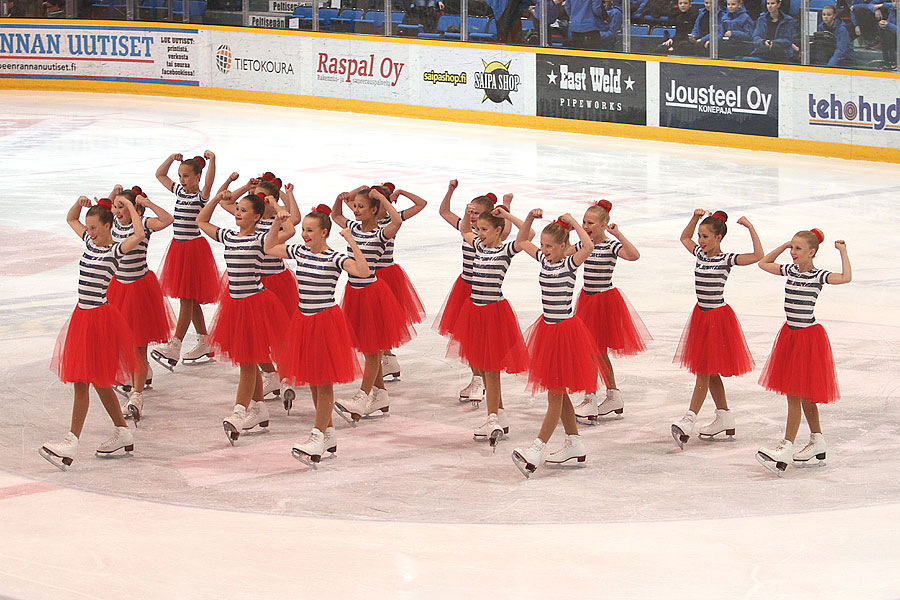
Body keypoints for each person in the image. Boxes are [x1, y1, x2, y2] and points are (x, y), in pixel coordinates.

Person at [40, 195, 145, 470]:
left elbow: (140, 233)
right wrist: (78, 202)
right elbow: (70, 219)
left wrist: (131, 206)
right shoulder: (88, 242)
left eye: (95, 228)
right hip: (82, 316)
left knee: (82, 380)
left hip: (98, 319)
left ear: (108, 226)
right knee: (98, 381)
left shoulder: (115, 250)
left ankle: (71, 441)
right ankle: (122, 432)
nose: (89, 232)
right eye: (88, 228)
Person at [264, 206, 371, 468]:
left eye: (310, 230)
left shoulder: (335, 258)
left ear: (324, 232)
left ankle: (317, 434)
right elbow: (269, 248)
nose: (304, 235)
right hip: (303, 320)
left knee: (323, 382)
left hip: (325, 322)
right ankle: (328, 433)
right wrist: (276, 224)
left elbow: (363, 271)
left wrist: (352, 242)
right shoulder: (299, 252)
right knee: (313, 379)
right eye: (303, 230)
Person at [196, 191, 290, 445]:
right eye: (237, 208)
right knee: (250, 358)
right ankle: (258, 408)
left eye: (244, 210)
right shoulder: (228, 236)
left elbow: (288, 231)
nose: (237, 212)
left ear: (257, 216)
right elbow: (201, 222)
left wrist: (278, 211)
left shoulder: (261, 240)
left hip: (254, 304)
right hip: (235, 305)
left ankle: (239, 411)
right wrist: (215, 200)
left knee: (248, 362)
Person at [511, 211, 600, 478]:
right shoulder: (544, 261)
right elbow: (521, 240)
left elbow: (589, 246)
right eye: (544, 245)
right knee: (558, 394)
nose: (544, 250)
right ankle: (574, 443)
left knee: (555, 395)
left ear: (563, 246)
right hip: (548, 331)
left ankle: (536, 450)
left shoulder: (569, 264)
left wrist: (573, 222)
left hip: (564, 334)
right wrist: (528, 218)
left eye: (550, 246)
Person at [756, 230, 851, 475]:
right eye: (792, 248)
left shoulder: (819, 276)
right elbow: (763, 263)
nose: (793, 253)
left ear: (812, 252)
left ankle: (786, 447)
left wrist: (843, 252)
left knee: (794, 393)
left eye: (798, 249)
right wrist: (784, 244)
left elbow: (846, 278)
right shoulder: (790, 270)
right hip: (790, 336)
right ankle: (817, 442)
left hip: (807, 339)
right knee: (804, 395)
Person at [670, 209, 763, 449]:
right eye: (700, 236)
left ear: (719, 238)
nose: (700, 241)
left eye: (706, 236)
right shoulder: (699, 254)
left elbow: (758, 255)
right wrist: (693, 218)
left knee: (704, 369)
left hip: (717, 319)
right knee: (709, 371)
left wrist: (750, 227)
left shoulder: (727, 259)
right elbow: (684, 238)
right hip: (701, 316)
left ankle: (689, 419)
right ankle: (724, 416)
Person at [454, 203, 534, 449]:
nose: (480, 234)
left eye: (486, 229)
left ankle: (492, 418)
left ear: (499, 230)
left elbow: (528, 236)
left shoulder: (506, 250)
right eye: (479, 229)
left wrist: (511, 214)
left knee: (491, 367)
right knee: (483, 363)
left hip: (494, 313)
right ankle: (498, 414)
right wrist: (469, 217)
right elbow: (465, 231)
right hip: (475, 311)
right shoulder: (478, 245)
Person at [331, 186, 412, 422]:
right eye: (355, 206)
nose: (355, 210)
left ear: (374, 210)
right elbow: (336, 216)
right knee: (367, 347)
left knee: (373, 348)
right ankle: (380, 394)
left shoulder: (380, 233)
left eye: (361, 206)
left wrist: (382, 199)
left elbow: (397, 221)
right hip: (353, 293)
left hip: (371, 294)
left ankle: (362, 395)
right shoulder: (353, 228)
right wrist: (339, 199)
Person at [572, 200, 651, 421]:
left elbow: (634, 255)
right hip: (587, 301)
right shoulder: (583, 245)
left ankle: (591, 398)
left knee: (595, 351)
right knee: (594, 351)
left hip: (604, 303)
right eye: (584, 222)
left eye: (591, 223)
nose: (586, 226)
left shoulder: (610, 246)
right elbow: (561, 254)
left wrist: (619, 235)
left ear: (604, 225)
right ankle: (612, 395)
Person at [435, 182, 511, 404]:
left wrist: (506, 207)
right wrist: (450, 191)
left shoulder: (492, 235)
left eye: (477, 213)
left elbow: (505, 229)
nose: (473, 217)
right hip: (465, 287)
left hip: (483, 292)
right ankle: (476, 377)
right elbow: (444, 212)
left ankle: (481, 381)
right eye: (471, 212)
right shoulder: (468, 228)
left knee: (478, 339)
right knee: (468, 338)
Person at [107, 186, 175, 423]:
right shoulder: (113, 224)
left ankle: (136, 395)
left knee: (138, 344)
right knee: (120, 340)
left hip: (139, 290)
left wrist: (145, 204)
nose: (117, 211)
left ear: (134, 208)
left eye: (122, 206)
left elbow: (167, 219)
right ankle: (139, 373)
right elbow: (106, 212)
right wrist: (113, 197)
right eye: (115, 206)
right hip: (118, 288)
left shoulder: (144, 224)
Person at [152, 152, 221, 369]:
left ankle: (176, 343)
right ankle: (204, 340)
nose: (182, 180)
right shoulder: (179, 192)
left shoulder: (200, 197)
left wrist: (213, 161)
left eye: (187, 176)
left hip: (193, 250)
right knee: (189, 299)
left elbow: (210, 182)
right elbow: (160, 174)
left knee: (186, 298)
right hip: (179, 248)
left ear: (198, 177)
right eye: (180, 176)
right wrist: (171, 158)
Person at [372, 182, 428, 381]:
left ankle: (385, 359)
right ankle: (387, 358)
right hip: (370, 275)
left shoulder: (391, 220)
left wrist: (401, 192)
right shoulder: (364, 221)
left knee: (382, 321)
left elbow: (422, 204)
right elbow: (351, 200)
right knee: (377, 321)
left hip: (386, 275)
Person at [876, 0, 897, 69]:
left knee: (889, 35)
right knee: (884, 32)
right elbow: (883, 5)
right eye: (893, 1)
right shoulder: (892, 8)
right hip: (892, 34)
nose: (895, 4)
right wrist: (883, 23)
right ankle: (887, 61)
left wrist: (888, 25)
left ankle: (893, 62)